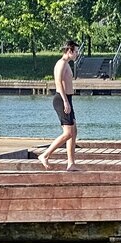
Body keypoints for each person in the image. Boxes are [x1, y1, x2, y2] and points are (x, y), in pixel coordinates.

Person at [38, 40, 80, 171]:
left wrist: (68, 100)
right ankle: (45, 155)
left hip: (68, 98)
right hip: (61, 99)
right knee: (67, 133)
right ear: (70, 51)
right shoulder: (61, 64)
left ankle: (71, 163)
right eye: (76, 51)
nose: (77, 54)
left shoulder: (67, 64)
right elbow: (58, 83)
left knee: (74, 131)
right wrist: (65, 101)